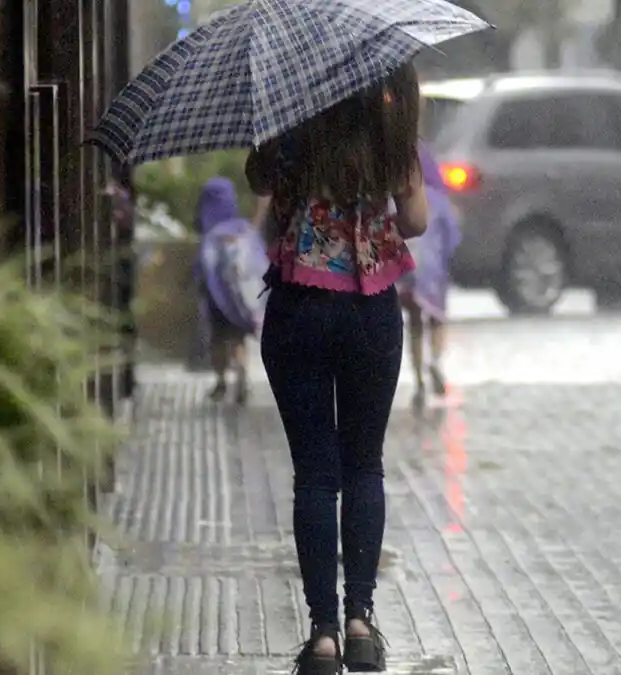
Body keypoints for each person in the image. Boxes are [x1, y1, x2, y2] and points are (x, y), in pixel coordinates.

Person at [247, 64, 428, 675]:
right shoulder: (390, 128)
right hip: (369, 311)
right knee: (364, 464)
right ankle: (359, 621)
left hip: (298, 309)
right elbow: (417, 221)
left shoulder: (291, 128)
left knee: (316, 475)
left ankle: (321, 633)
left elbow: (261, 184)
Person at [396, 142, 461, 409]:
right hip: (433, 273)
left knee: (413, 322)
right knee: (436, 318)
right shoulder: (440, 203)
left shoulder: (401, 198)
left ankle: (420, 380)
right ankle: (435, 361)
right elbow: (452, 238)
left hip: (408, 270)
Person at [194, 177, 267, 404]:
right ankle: (242, 377)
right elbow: (258, 263)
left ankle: (221, 382)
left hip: (216, 299)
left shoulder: (211, 234)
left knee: (217, 339)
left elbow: (203, 268)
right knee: (238, 339)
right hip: (239, 300)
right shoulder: (243, 229)